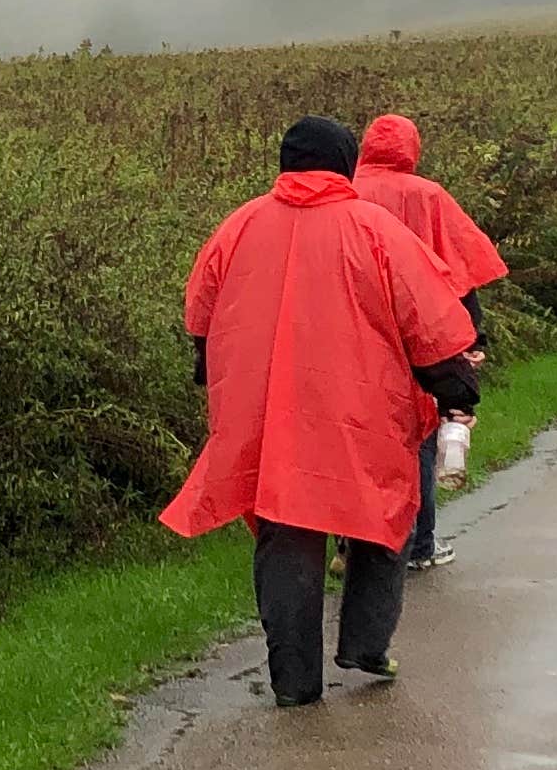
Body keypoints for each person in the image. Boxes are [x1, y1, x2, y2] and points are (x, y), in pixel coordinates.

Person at [164, 116, 483, 705]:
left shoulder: (238, 226)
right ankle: (364, 643)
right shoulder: (376, 230)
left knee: (287, 538)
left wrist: (213, 377)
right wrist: (456, 390)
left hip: (266, 416)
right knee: (383, 519)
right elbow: (426, 321)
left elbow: (202, 318)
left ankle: (294, 683)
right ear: (344, 162)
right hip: (363, 412)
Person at [350, 113, 509, 570]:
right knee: (420, 433)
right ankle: (419, 544)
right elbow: (460, 270)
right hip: (421, 328)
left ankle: (356, 541)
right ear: (411, 149)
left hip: (358, 329)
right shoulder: (428, 196)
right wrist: (471, 337)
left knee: (359, 436)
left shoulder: (344, 192)